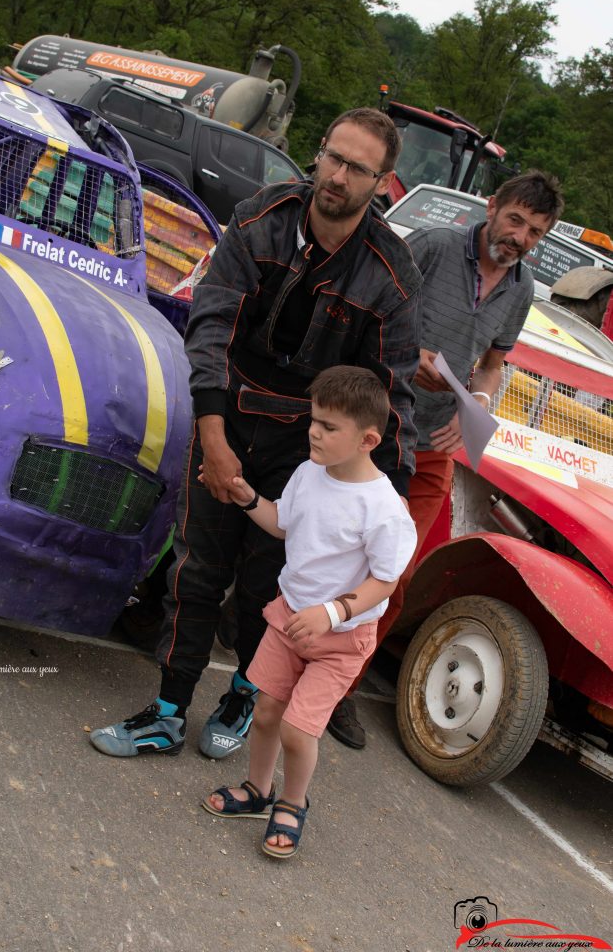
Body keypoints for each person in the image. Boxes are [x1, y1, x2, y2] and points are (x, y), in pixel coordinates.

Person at [90, 107, 422, 761]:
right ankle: (165, 711)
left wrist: (390, 496)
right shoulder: (257, 217)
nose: (335, 175)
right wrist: (211, 435)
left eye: (356, 167)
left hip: (309, 447)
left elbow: (391, 392)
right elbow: (210, 322)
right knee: (197, 570)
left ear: (382, 183)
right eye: (330, 156)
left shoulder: (390, 274)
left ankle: (243, 695)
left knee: (277, 585)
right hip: (231, 413)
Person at [328, 169, 566, 750]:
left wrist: (477, 405)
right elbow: (367, 303)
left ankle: (338, 690)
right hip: (372, 425)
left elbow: (492, 362)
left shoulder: (523, 287)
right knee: (324, 538)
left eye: (535, 231)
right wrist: (413, 354)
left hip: (432, 444)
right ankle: (265, 634)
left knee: (397, 573)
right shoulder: (434, 246)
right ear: (492, 207)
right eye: (515, 220)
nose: (520, 237)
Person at [201, 366, 417, 858]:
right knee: (267, 710)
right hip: (289, 618)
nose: (314, 432)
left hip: (340, 639)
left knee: (299, 729)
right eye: (314, 421)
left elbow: (385, 581)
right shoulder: (308, 474)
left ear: (367, 439)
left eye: (328, 427)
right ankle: (258, 791)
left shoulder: (385, 509)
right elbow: (282, 524)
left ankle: (293, 803)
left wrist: (333, 612)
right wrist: (248, 498)